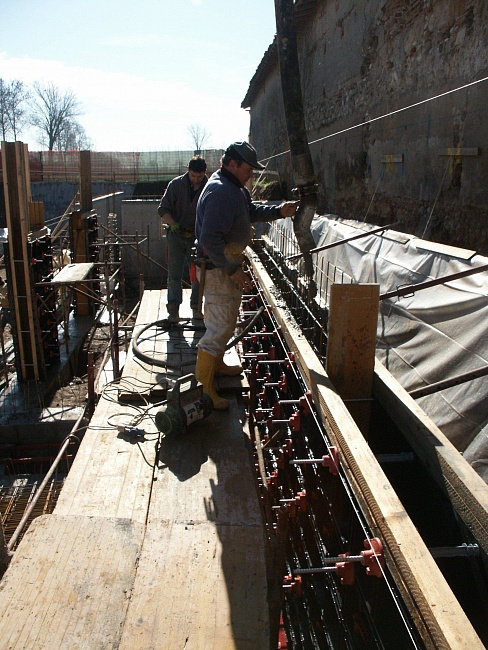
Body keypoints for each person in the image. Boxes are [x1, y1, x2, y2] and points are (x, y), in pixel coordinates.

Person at [194, 141, 299, 410]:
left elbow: (249, 212)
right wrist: (232, 271)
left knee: (224, 322)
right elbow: (209, 238)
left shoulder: (234, 188)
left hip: (224, 264)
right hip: (219, 268)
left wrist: (278, 211)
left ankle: (215, 366)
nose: (251, 173)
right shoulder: (220, 191)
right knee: (218, 326)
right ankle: (204, 392)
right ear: (232, 164)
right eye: (248, 168)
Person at [158, 156, 208, 321]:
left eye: (199, 177)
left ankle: (196, 307)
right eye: (193, 176)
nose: (196, 180)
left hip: (197, 236)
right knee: (174, 274)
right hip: (176, 235)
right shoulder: (176, 185)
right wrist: (172, 223)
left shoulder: (209, 187)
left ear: (204, 173)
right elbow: (163, 208)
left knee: (197, 274)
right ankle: (173, 310)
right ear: (188, 171)